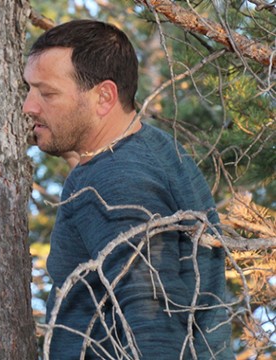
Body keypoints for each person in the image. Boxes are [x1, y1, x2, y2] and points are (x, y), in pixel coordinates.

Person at [23, 20, 232, 359]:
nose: (29, 106)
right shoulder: (155, 152)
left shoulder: (112, 181)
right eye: (29, 90)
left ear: (104, 97)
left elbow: (153, 323)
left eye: (47, 93)